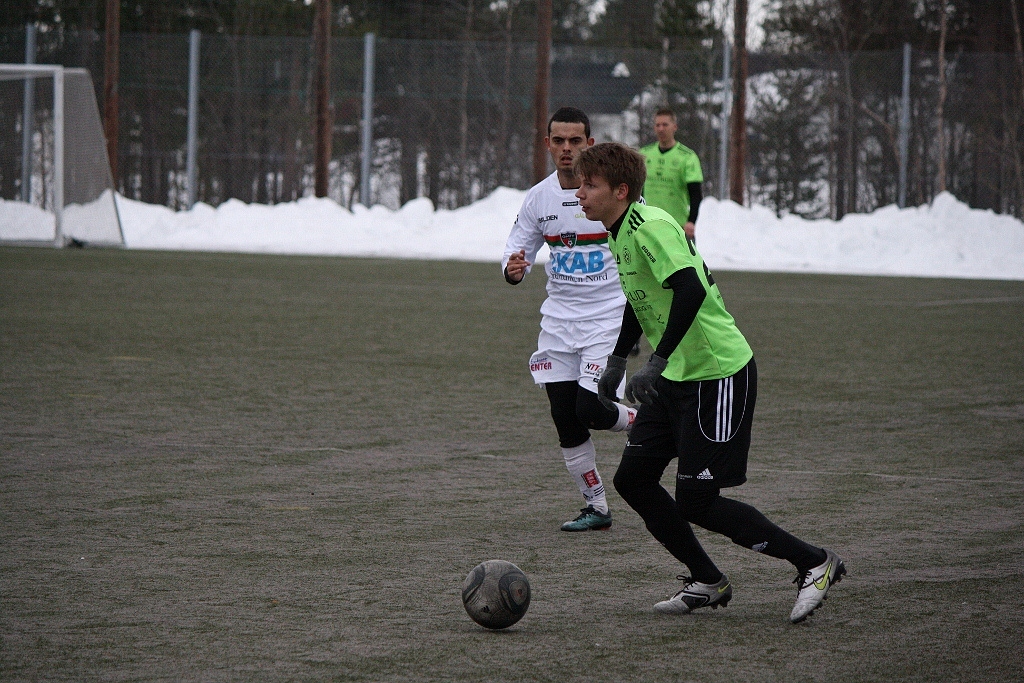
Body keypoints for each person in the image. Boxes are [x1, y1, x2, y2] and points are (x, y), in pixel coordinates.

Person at [573, 142, 845, 623]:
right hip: (675, 374)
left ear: (621, 190)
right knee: (633, 479)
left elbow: (690, 289)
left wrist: (655, 360)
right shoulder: (618, 230)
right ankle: (707, 579)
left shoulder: (650, 226)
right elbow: (642, 296)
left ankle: (814, 562)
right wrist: (617, 359)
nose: (580, 193)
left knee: (697, 500)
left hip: (716, 373)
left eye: (589, 185)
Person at [502, 108, 637, 532]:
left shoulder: (611, 195)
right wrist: (513, 268)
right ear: (547, 144)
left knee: (591, 409)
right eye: (558, 141)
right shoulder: (538, 198)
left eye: (575, 141)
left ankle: (645, 422)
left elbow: (643, 243)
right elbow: (516, 248)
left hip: (607, 319)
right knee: (565, 417)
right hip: (558, 323)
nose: (566, 149)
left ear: (589, 144)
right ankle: (596, 507)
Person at [639, 107, 704, 241]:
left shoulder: (687, 157)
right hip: (649, 225)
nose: (661, 129)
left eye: (665, 125)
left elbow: (695, 193)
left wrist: (691, 221)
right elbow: (638, 190)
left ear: (674, 127)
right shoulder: (644, 154)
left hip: (676, 226)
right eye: (657, 125)